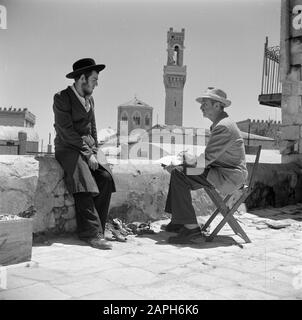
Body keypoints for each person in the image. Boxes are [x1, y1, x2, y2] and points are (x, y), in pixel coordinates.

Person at [164, 87, 248, 244]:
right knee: (179, 171)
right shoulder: (221, 124)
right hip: (223, 172)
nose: (201, 107)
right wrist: (185, 162)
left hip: (228, 178)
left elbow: (205, 160)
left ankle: (191, 229)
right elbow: (210, 159)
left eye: (205, 103)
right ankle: (179, 221)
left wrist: (186, 160)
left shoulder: (223, 126)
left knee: (179, 173)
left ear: (217, 105)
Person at [53, 58, 116, 250]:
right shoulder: (62, 97)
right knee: (84, 182)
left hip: (88, 151)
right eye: (94, 79)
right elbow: (66, 131)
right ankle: (90, 234)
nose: (97, 83)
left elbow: (93, 129)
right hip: (68, 149)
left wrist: (95, 151)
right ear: (82, 78)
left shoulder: (90, 99)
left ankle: (99, 229)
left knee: (105, 178)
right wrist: (88, 153)